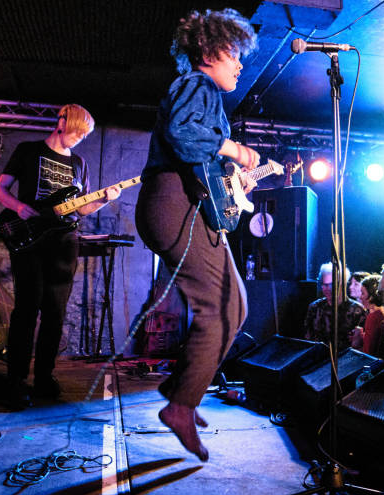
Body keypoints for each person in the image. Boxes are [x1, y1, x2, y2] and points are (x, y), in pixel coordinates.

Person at [134, 8, 258, 462]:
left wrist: (234, 176)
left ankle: (183, 389)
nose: (240, 65)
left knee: (236, 305)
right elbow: (185, 134)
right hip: (174, 204)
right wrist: (237, 149)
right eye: (234, 54)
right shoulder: (196, 84)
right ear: (209, 51)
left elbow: (199, 154)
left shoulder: (204, 93)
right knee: (221, 307)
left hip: (186, 203)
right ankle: (181, 406)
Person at [0, 104, 121, 409]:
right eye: (77, 132)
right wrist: (18, 207)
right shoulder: (28, 151)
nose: (80, 139)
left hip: (64, 242)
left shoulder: (79, 163)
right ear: (61, 122)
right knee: (26, 311)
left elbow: (82, 207)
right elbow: (0, 190)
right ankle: (15, 382)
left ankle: (44, 379)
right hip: (31, 239)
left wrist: (104, 199)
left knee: (55, 313)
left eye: (85, 135)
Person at [304, 263, 366, 351]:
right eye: (325, 285)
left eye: (332, 284)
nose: (328, 289)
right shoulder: (315, 307)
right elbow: (308, 340)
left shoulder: (357, 310)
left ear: (342, 284)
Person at [348, 274, 384, 356]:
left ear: (371, 297)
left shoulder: (373, 317)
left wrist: (356, 343)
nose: (360, 297)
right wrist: (363, 337)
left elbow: (368, 353)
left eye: (363, 293)